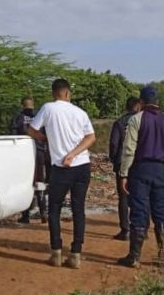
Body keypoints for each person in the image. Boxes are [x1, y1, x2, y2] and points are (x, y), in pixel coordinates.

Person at [27, 79, 96, 269]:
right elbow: (91, 137)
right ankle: (76, 253)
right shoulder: (80, 113)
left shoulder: (48, 109)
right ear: (67, 93)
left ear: (54, 93)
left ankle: (56, 251)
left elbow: (31, 130)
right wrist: (74, 153)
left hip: (60, 167)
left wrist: (46, 139)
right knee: (78, 209)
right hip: (82, 165)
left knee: (55, 208)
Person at [117, 85, 164, 268]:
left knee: (139, 211)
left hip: (140, 170)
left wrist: (124, 173)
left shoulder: (137, 120)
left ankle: (134, 257)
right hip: (161, 170)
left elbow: (129, 149)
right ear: (158, 102)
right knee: (161, 212)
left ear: (141, 102)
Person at [9, 97, 50, 224]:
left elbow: (13, 137)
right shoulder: (40, 117)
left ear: (22, 105)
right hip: (39, 153)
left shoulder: (18, 118)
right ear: (33, 105)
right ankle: (43, 212)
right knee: (39, 181)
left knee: (25, 183)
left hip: (24, 154)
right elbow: (47, 135)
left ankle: (25, 215)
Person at [108, 96, 141, 241]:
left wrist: (114, 160)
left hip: (123, 163)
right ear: (138, 107)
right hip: (139, 163)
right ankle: (140, 229)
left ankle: (125, 230)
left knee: (123, 197)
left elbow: (114, 144)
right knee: (140, 196)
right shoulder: (143, 121)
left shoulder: (119, 122)